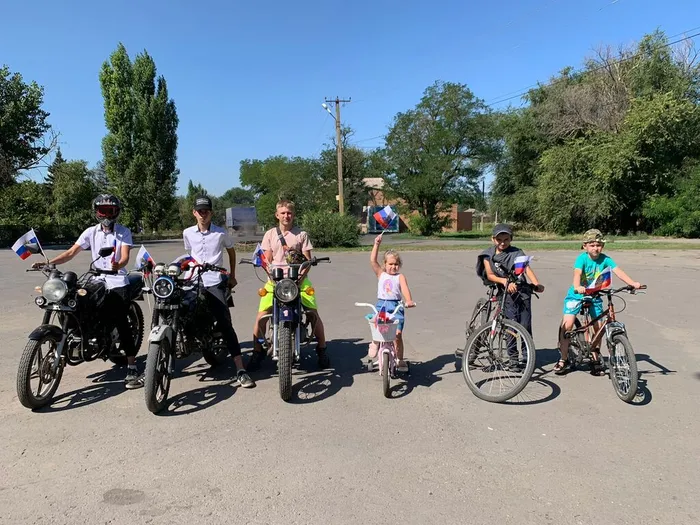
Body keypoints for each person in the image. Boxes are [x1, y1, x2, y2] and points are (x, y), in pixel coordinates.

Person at [32, 194, 143, 388]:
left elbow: (125, 256)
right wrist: (48, 263)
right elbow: (71, 252)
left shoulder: (123, 232)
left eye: (110, 211)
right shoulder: (91, 232)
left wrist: (118, 264)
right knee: (75, 301)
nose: (107, 215)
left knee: (120, 319)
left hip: (117, 279)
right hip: (96, 277)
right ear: (97, 212)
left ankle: (132, 367)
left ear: (116, 212)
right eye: (103, 210)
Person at [247, 199, 329, 371]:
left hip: (298, 280)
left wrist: (300, 278)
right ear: (277, 215)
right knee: (261, 316)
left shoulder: (301, 235)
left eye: (289, 213)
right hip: (275, 281)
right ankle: (257, 351)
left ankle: (322, 349)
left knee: (313, 314)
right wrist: (269, 273)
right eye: (283, 213)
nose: (286, 216)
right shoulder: (270, 234)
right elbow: (267, 259)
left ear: (294, 215)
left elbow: (307, 261)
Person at [183, 195, 255, 388]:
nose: (203, 214)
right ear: (194, 213)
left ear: (211, 213)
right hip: (193, 280)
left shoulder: (221, 233)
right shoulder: (187, 233)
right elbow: (189, 254)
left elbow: (231, 251)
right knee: (179, 308)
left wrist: (232, 275)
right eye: (200, 211)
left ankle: (240, 369)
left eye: (206, 211)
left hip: (214, 280)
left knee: (225, 322)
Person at [554, 229, 643, 376]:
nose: (596, 248)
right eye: (592, 245)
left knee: (598, 328)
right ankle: (563, 359)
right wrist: (577, 286)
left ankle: (595, 358)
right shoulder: (582, 259)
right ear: (585, 246)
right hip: (576, 295)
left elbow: (618, 271)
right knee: (568, 325)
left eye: (598, 245)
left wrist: (632, 283)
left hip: (594, 295)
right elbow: (577, 273)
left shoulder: (606, 259)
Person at [477, 223, 545, 370]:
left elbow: (527, 269)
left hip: (522, 292)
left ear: (511, 239)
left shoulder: (517, 253)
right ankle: (513, 359)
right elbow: (490, 274)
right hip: (504, 292)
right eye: (499, 239)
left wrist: (536, 284)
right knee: (510, 327)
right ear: (493, 239)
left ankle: (527, 358)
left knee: (525, 326)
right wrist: (504, 281)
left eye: (506, 239)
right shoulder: (488, 255)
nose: (502, 243)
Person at [368, 234, 416, 371]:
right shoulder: (381, 274)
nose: (393, 267)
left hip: (396, 306)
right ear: (384, 264)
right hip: (382, 306)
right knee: (378, 327)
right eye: (390, 264)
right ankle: (375, 343)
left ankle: (400, 359)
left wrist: (408, 300)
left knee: (397, 334)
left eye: (396, 264)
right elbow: (372, 260)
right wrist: (376, 244)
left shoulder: (400, 277)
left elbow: (405, 289)